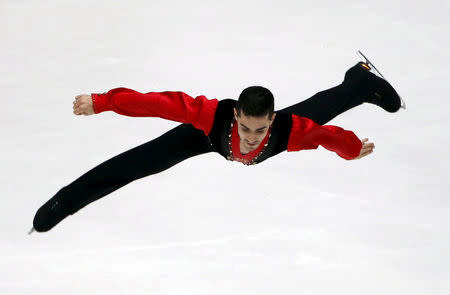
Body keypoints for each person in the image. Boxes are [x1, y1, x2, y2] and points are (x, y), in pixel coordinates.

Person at [31, 60, 403, 233]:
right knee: (140, 162)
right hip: (203, 137)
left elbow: (326, 136)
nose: (251, 137)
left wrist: (352, 148)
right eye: (245, 126)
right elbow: (156, 104)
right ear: (236, 114)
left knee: (315, 114)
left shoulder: (288, 130)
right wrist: (102, 101)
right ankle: (67, 199)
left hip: (287, 127)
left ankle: (357, 84)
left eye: (259, 129)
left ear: (271, 121)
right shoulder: (211, 115)